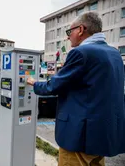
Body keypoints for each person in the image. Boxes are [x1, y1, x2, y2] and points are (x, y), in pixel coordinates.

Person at [27, 12, 125, 166]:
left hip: (80, 137)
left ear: (80, 30)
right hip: (103, 136)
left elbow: (54, 85)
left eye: (69, 31)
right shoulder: (115, 54)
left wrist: (34, 83)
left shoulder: (81, 53)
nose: (68, 37)